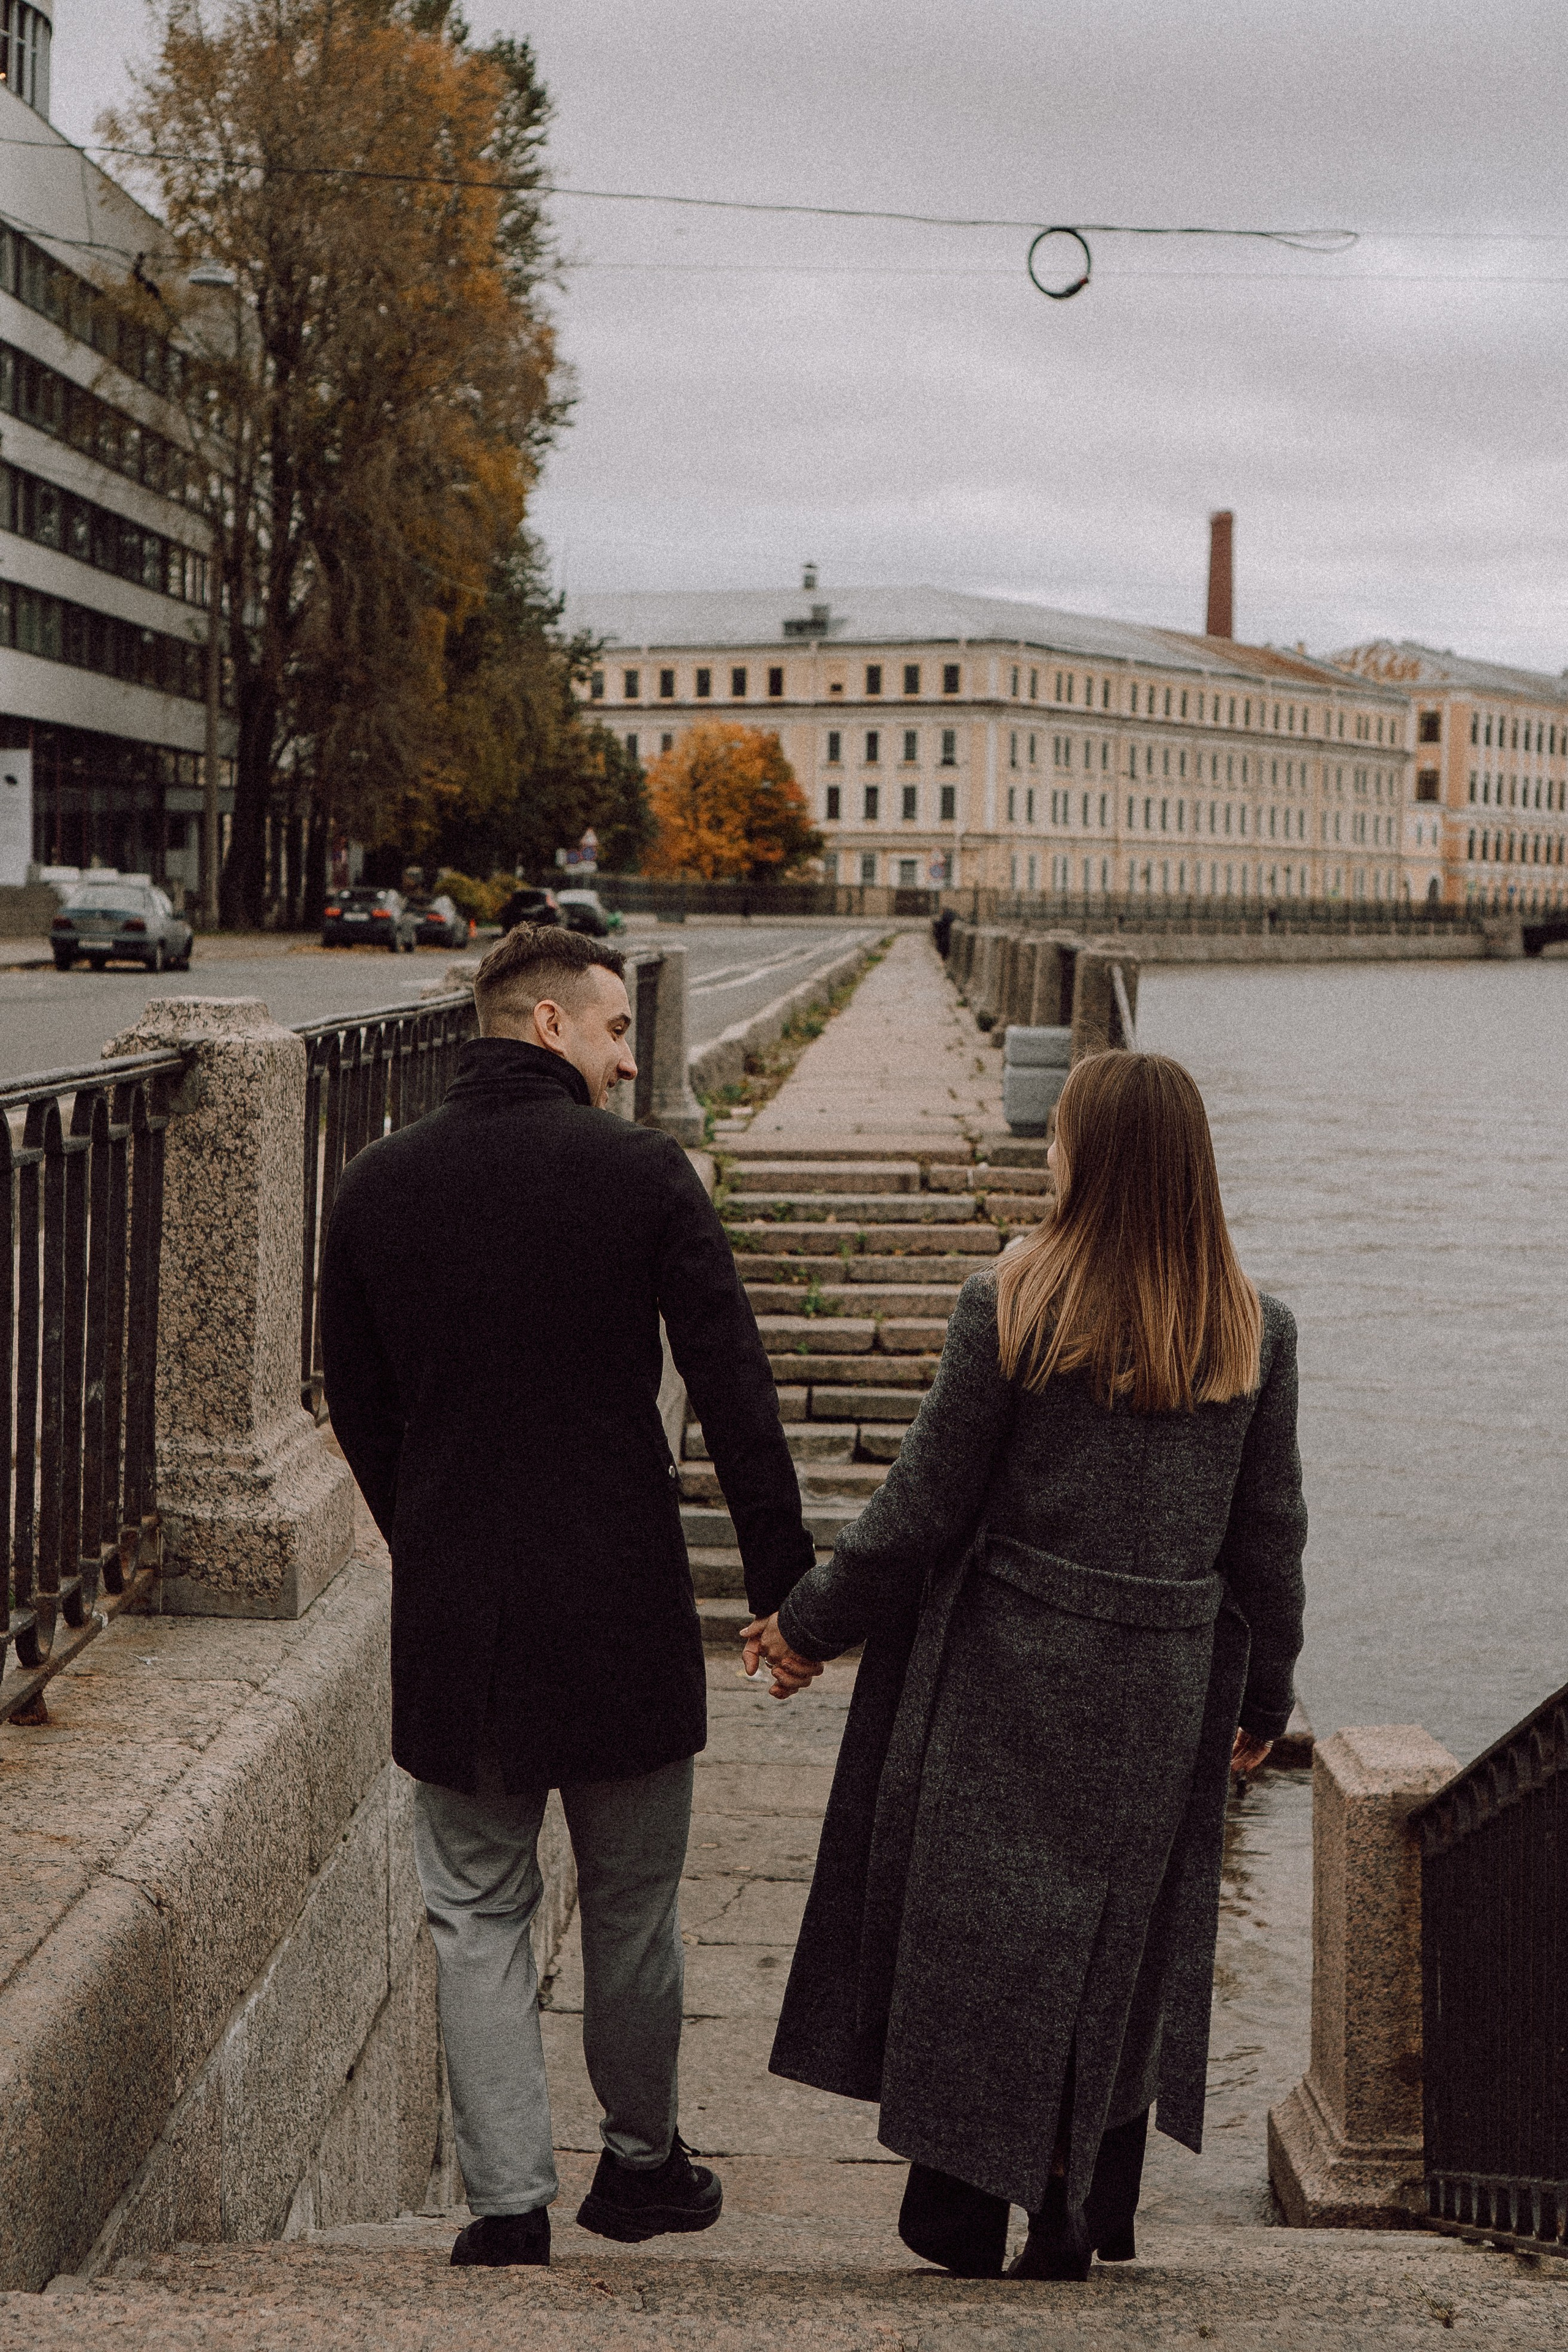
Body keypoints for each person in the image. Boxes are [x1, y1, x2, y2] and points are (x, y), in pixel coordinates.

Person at [745, 1049, 1307, 2282]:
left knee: (981, 1941)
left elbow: (919, 1510)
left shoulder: (1010, 1299)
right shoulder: (1250, 1326)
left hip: (1009, 1668)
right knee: (1119, 1937)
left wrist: (805, 1624)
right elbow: (1268, 1544)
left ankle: (965, 2206)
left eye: (1057, 1134)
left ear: (1086, 1157)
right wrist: (1259, 1699)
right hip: (1160, 1680)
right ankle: (1075, 2198)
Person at [320, 924, 814, 2269]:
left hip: (458, 1619)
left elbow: (358, 1404)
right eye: (609, 1036)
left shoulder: (375, 1186)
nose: (619, 1061)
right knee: (631, 1910)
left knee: (476, 1907)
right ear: (548, 1028)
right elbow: (732, 1390)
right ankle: (643, 2164)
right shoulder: (642, 1174)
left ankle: (504, 2204)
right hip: (620, 1611)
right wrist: (785, 1590)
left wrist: (427, 1525)